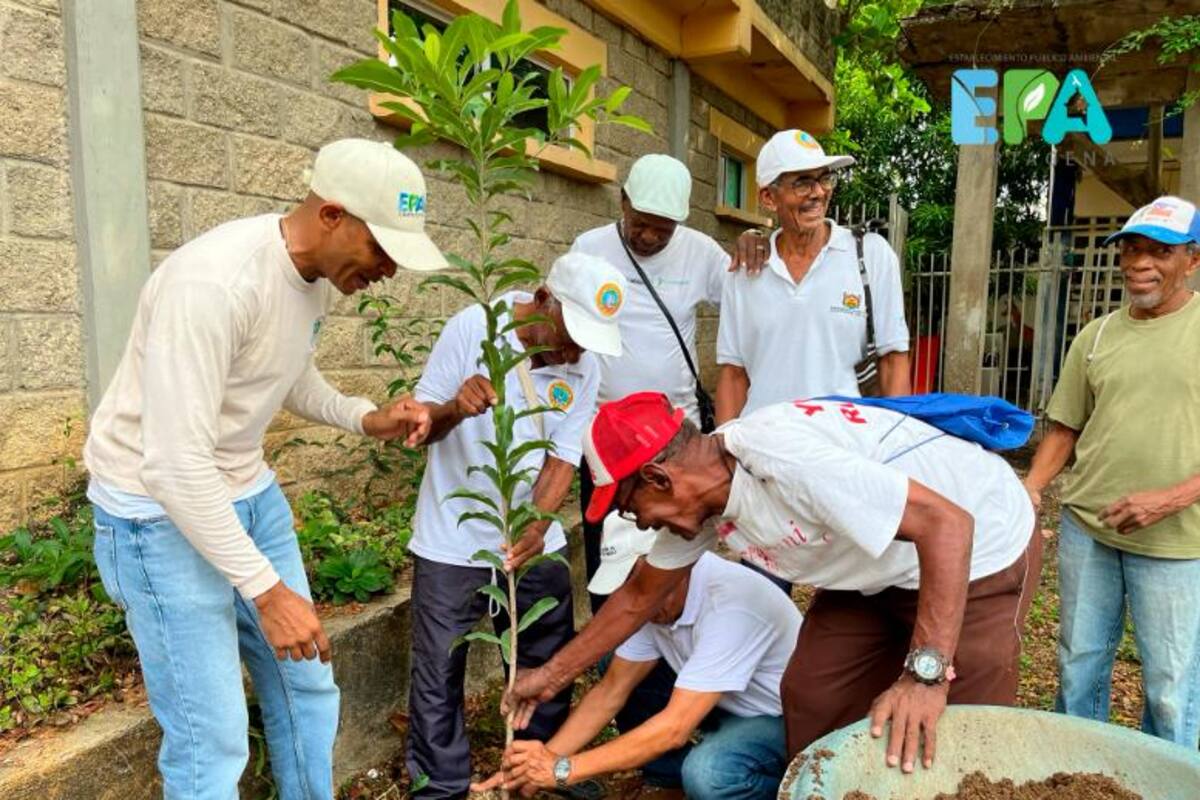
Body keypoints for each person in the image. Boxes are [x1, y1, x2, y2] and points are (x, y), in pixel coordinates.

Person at [84, 138, 442, 799]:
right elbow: (172, 463)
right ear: (332, 214)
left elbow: (287, 373)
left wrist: (367, 417)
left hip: (245, 491)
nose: (391, 268)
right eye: (383, 248)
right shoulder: (213, 284)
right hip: (156, 514)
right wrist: (267, 592)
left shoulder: (312, 279)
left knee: (308, 682)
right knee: (210, 739)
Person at [507, 391, 1042, 775]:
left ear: (659, 478)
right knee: (812, 693)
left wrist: (925, 676)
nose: (642, 524)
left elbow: (948, 525)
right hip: (873, 570)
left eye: (632, 509)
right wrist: (550, 677)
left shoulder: (781, 460)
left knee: (954, 734)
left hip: (978, 557)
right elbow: (639, 597)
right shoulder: (707, 502)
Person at [400, 252, 626, 800]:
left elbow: (561, 458)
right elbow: (421, 428)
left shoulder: (584, 365)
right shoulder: (473, 327)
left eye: (586, 341)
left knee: (547, 655)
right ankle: (441, 786)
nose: (574, 350)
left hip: (531, 539)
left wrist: (537, 525)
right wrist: (458, 405)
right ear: (543, 299)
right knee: (439, 670)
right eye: (570, 333)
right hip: (454, 536)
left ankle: (538, 767)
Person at [1023, 196, 1200, 747]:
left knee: (1171, 685)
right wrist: (1030, 487)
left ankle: (1168, 782)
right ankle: (1080, 774)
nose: (1139, 263)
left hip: (1176, 539)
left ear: (1192, 260)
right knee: (1079, 665)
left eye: (1158, 252)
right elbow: (1064, 428)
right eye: (1130, 250)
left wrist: (1169, 498)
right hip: (1088, 529)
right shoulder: (1096, 336)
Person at [473, 516, 801, 800]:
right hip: (720, 702)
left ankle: (790, 788)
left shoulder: (730, 605)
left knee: (709, 774)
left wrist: (562, 770)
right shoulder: (654, 596)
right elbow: (611, 691)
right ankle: (667, 779)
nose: (631, 596)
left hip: (778, 716)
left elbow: (674, 727)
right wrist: (538, 764)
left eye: (638, 581)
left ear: (670, 565)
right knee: (613, 667)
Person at [568, 153, 731, 609]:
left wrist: (757, 247)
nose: (650, 236)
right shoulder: (589, 248)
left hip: (676, 434)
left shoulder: (701, 252)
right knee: (609, 540)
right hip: (605, 436)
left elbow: (749, 298)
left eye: (663, 228)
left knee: (678, 539)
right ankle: (610, 640)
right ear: (622, 203)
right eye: (641, 223)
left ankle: (679, 636)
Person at [716, 129, 911, 426]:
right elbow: (733, 374)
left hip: (846, 446)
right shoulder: (744, 271)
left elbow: (893, 360)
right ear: (769, 197)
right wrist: (724, 454)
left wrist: (895, 443)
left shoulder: (871, 256)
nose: (819, 192)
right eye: (803, 183)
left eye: (824, 179)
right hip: (764, 447)